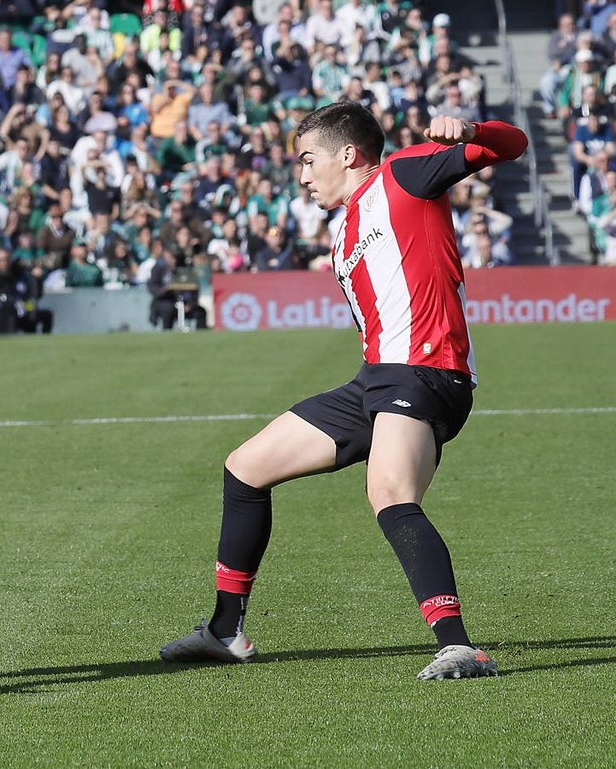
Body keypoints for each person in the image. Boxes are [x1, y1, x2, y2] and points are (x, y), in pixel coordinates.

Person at [160, 102, 528, 680]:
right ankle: (224, 631)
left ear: (349, 154)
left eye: (309, 160)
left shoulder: (404, 174)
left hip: (425, 371)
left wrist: (474, 130)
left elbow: (513, 144)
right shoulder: (349, 223)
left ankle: (458, 645)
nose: (302, 175)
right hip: (377, 378)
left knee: (389, 493)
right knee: (245, 467)